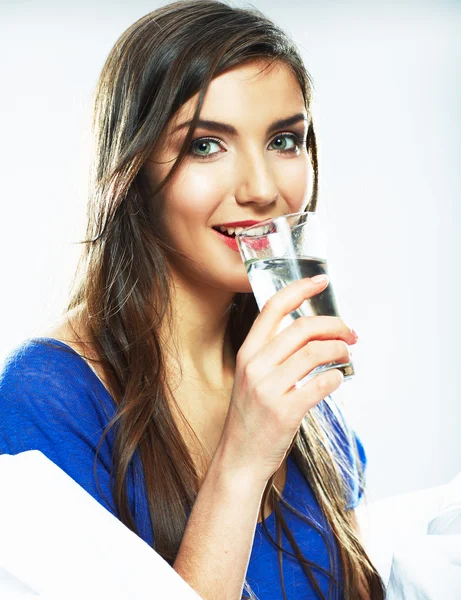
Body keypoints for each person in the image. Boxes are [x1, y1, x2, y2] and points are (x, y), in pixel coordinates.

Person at [0, 1, 386, 598]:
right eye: (207, 146)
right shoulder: (48, 398)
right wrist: (241, 459)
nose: (262, 190)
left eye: (285, 140)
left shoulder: (297, 389)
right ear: (129, 172)